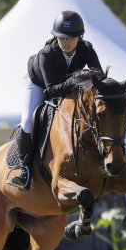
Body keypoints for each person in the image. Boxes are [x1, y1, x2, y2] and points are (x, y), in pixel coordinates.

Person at [9, 10, 103, 190]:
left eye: (70, 37)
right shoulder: (46, 54)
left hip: (64, 84)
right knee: (28, 120)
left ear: (79, 37)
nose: (66, 41)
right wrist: (77, 79)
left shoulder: (86, 49)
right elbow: (52, 91)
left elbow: (98, 74)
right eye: (61, 37)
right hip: (38, 83)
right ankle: (24, 169)